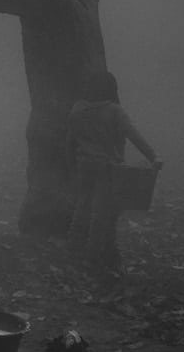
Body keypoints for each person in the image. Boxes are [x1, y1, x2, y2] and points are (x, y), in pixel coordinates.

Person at [65, 70, 160, 270]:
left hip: (84, 165)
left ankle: (72, 250)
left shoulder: (77, 109)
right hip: (107, 167)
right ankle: (91, 257)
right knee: (100, 213)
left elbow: (70, 141)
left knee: (82, 207)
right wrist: (153, 157)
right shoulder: (114, 111)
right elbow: (134, 135)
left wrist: (71, 164)